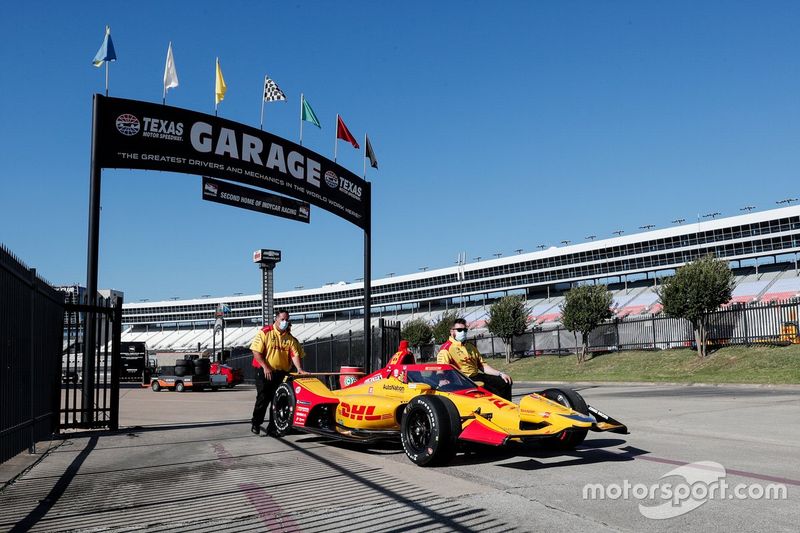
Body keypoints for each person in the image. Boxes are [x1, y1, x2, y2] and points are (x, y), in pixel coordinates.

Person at [250, 309, 306, 436]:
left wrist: (299, 369)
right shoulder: (265, 332)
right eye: (282, 319)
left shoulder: (290, 338)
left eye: (287, 320)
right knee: (263, 398)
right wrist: (265, 367)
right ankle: (256, 423)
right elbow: (256, 352)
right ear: (276, 319)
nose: (285, 322)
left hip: (281, 373)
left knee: (277, 399)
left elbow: (295, 355)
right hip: (263, 370)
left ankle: (273, 427)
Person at [436, 318, 513, 400]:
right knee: (494, 393)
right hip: (463, 380)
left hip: (476, 376)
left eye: (465, 330)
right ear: (452, 331)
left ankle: (509, 409)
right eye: (459, 330)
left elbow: (483, 366)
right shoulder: (446, 349)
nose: (463, 332)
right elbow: (441, 369)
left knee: (505, 381)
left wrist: (501, 373)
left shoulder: (471, 346)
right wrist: (442, 379)